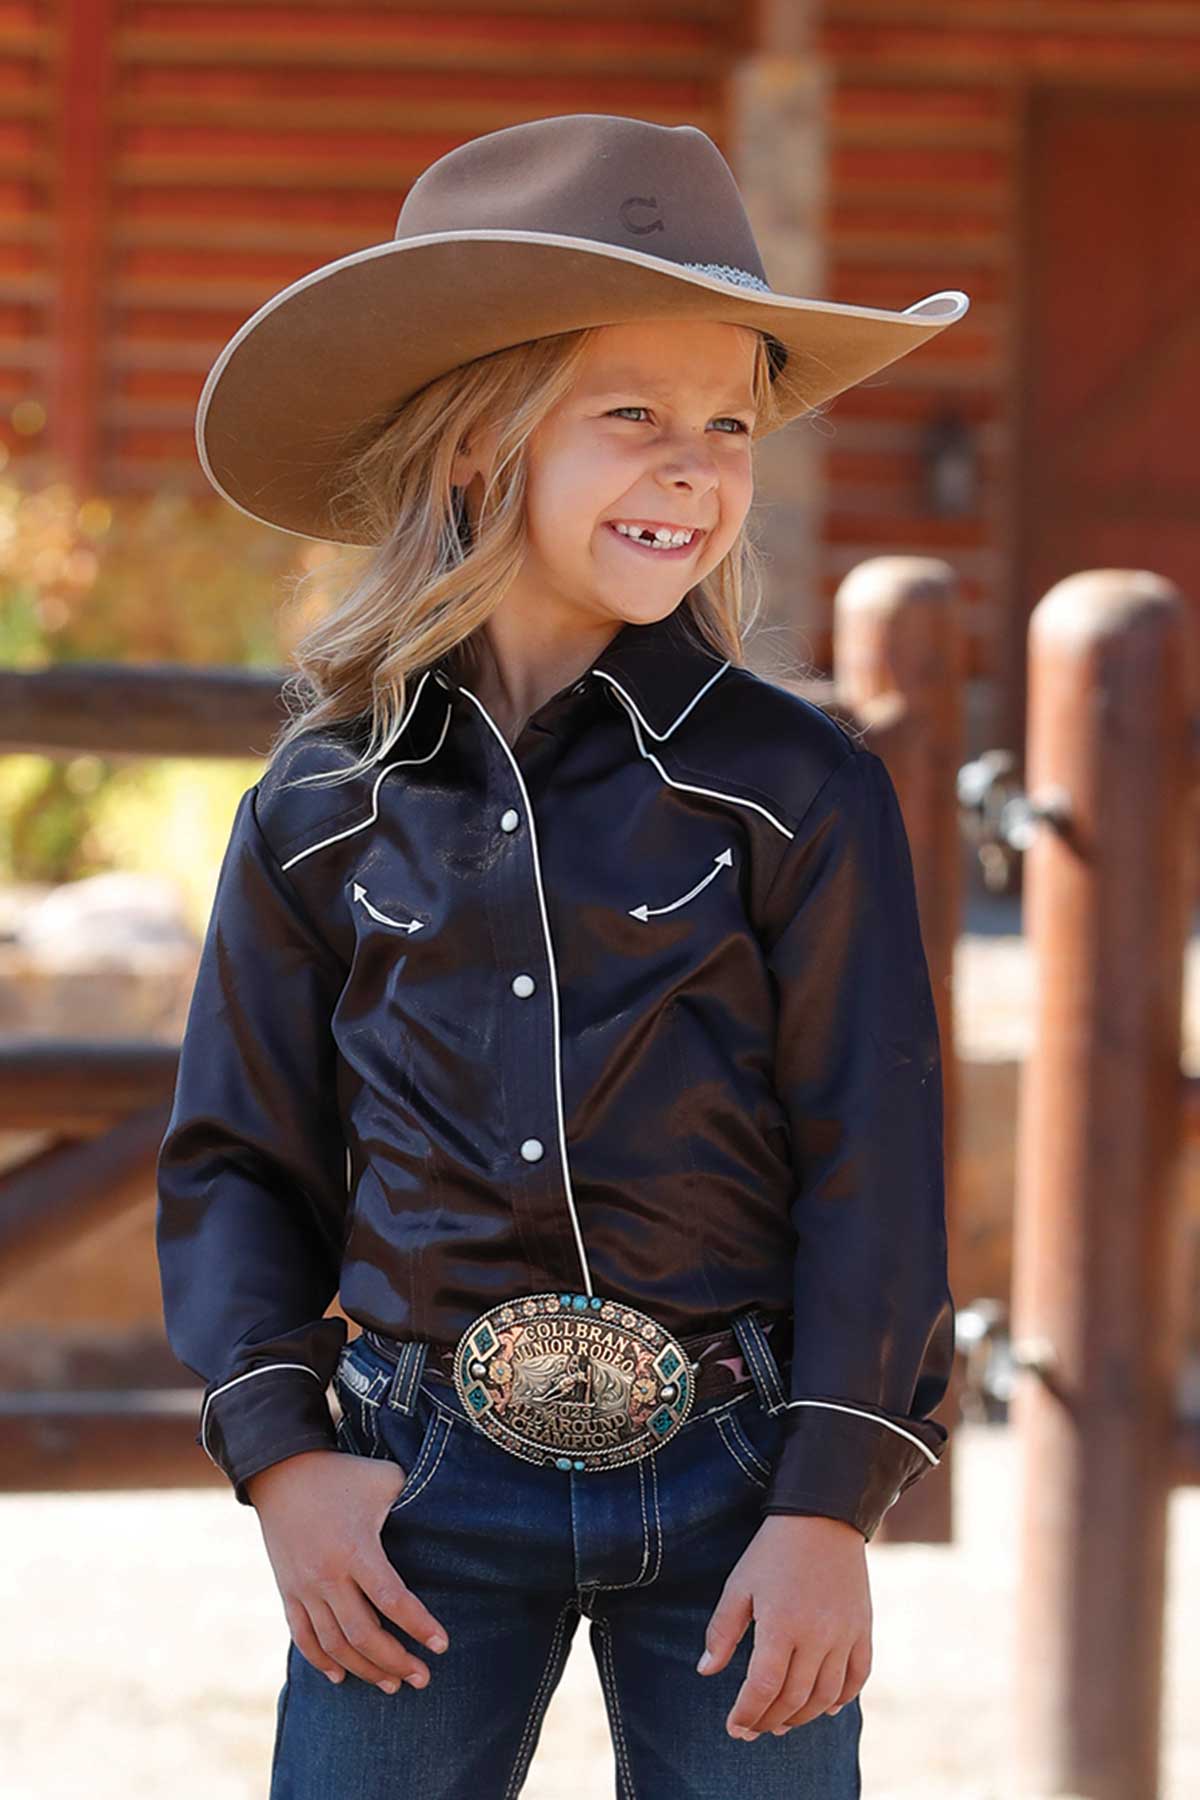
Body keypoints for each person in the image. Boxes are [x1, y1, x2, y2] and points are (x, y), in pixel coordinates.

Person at [156, 113, 969, 1799]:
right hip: (416, 1480)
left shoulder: (796, 792)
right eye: (632, 417)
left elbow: (873, 1162)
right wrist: (285, 1462)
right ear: (476, 445)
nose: (693, 465)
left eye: (728, 425)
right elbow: (239, 1159)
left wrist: (832, 1501)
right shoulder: (317, 811)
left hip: (742, 1474)